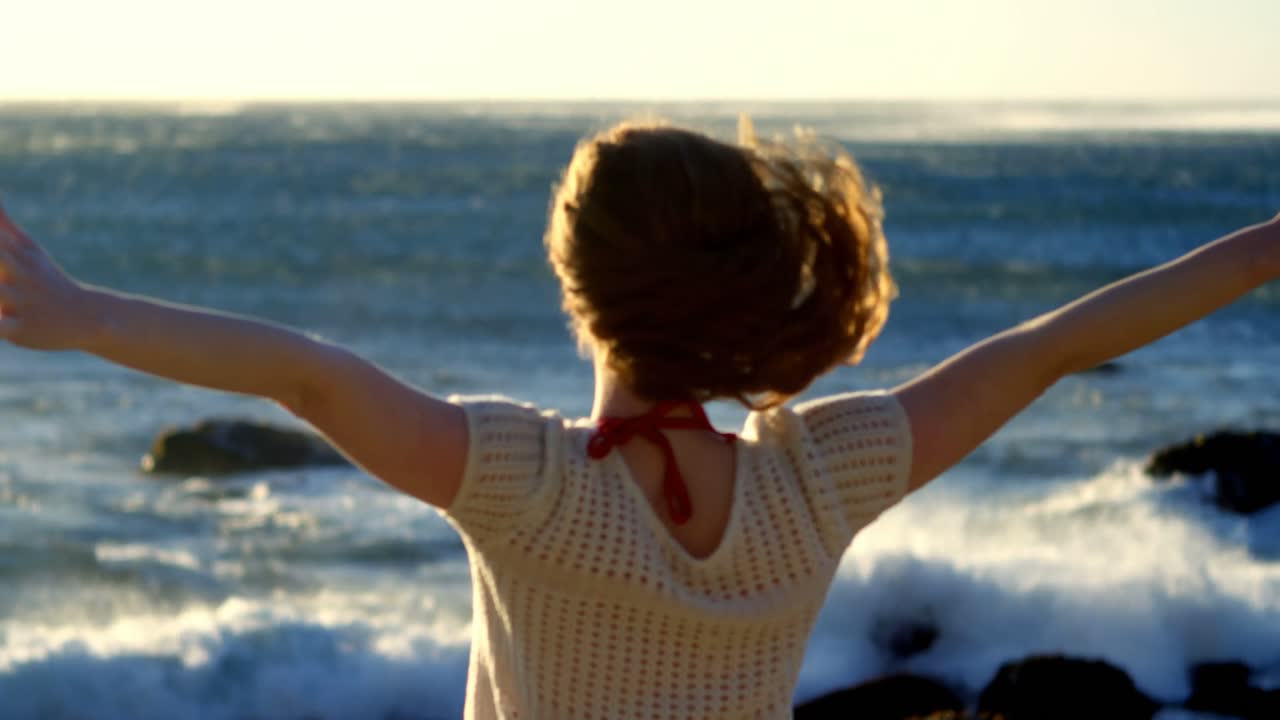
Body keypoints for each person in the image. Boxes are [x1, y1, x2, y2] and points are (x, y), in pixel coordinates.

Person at [0, 121, 1275, 719]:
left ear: (577, 290)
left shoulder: (523, 480)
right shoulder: (820, 478)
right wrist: (1267, 243)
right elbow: (1050, 347)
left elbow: (309, 377)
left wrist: (81, 312)